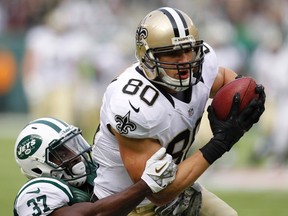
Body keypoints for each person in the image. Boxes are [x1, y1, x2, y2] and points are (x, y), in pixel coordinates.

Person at [92, 7, 265, 216]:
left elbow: (222, 78)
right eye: (173, 53)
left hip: (176, 188)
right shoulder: (131, 103)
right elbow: (157, 190)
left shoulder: (201, 66)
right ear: (147, 58)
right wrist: (220, 143)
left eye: (188, 50)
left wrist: (244, 94)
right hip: (131, 205)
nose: (185, 61)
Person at [13, 117, 177, 216]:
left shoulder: (93, 173)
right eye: (62, 154)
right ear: (38, 167)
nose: (75, 156)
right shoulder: (35, 192)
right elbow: (96, 214)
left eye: (72, 145)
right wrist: (146, 186)